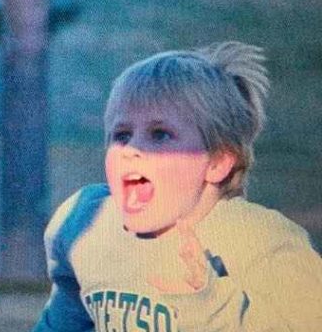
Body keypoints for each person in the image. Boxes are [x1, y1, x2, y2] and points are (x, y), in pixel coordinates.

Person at [33, 42, 322, 332]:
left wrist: (212, 305)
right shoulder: (88, 224)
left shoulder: (263, 243)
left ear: (217, 162)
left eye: (160, 134)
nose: (131, 149)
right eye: (121, 135)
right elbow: (64, 320)